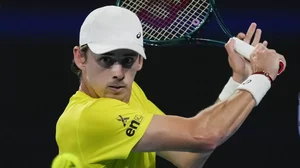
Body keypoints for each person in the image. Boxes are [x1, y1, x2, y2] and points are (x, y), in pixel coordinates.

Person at [55, 5, 286, 168]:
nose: (118, 73)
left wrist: (239, 79)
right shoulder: (88, 117)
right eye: (106, 59)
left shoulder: (129, 94)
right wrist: (262, 75)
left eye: (127, 60)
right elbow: (203, 135)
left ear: (140, 61)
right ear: (80, 58)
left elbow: (188, 157)